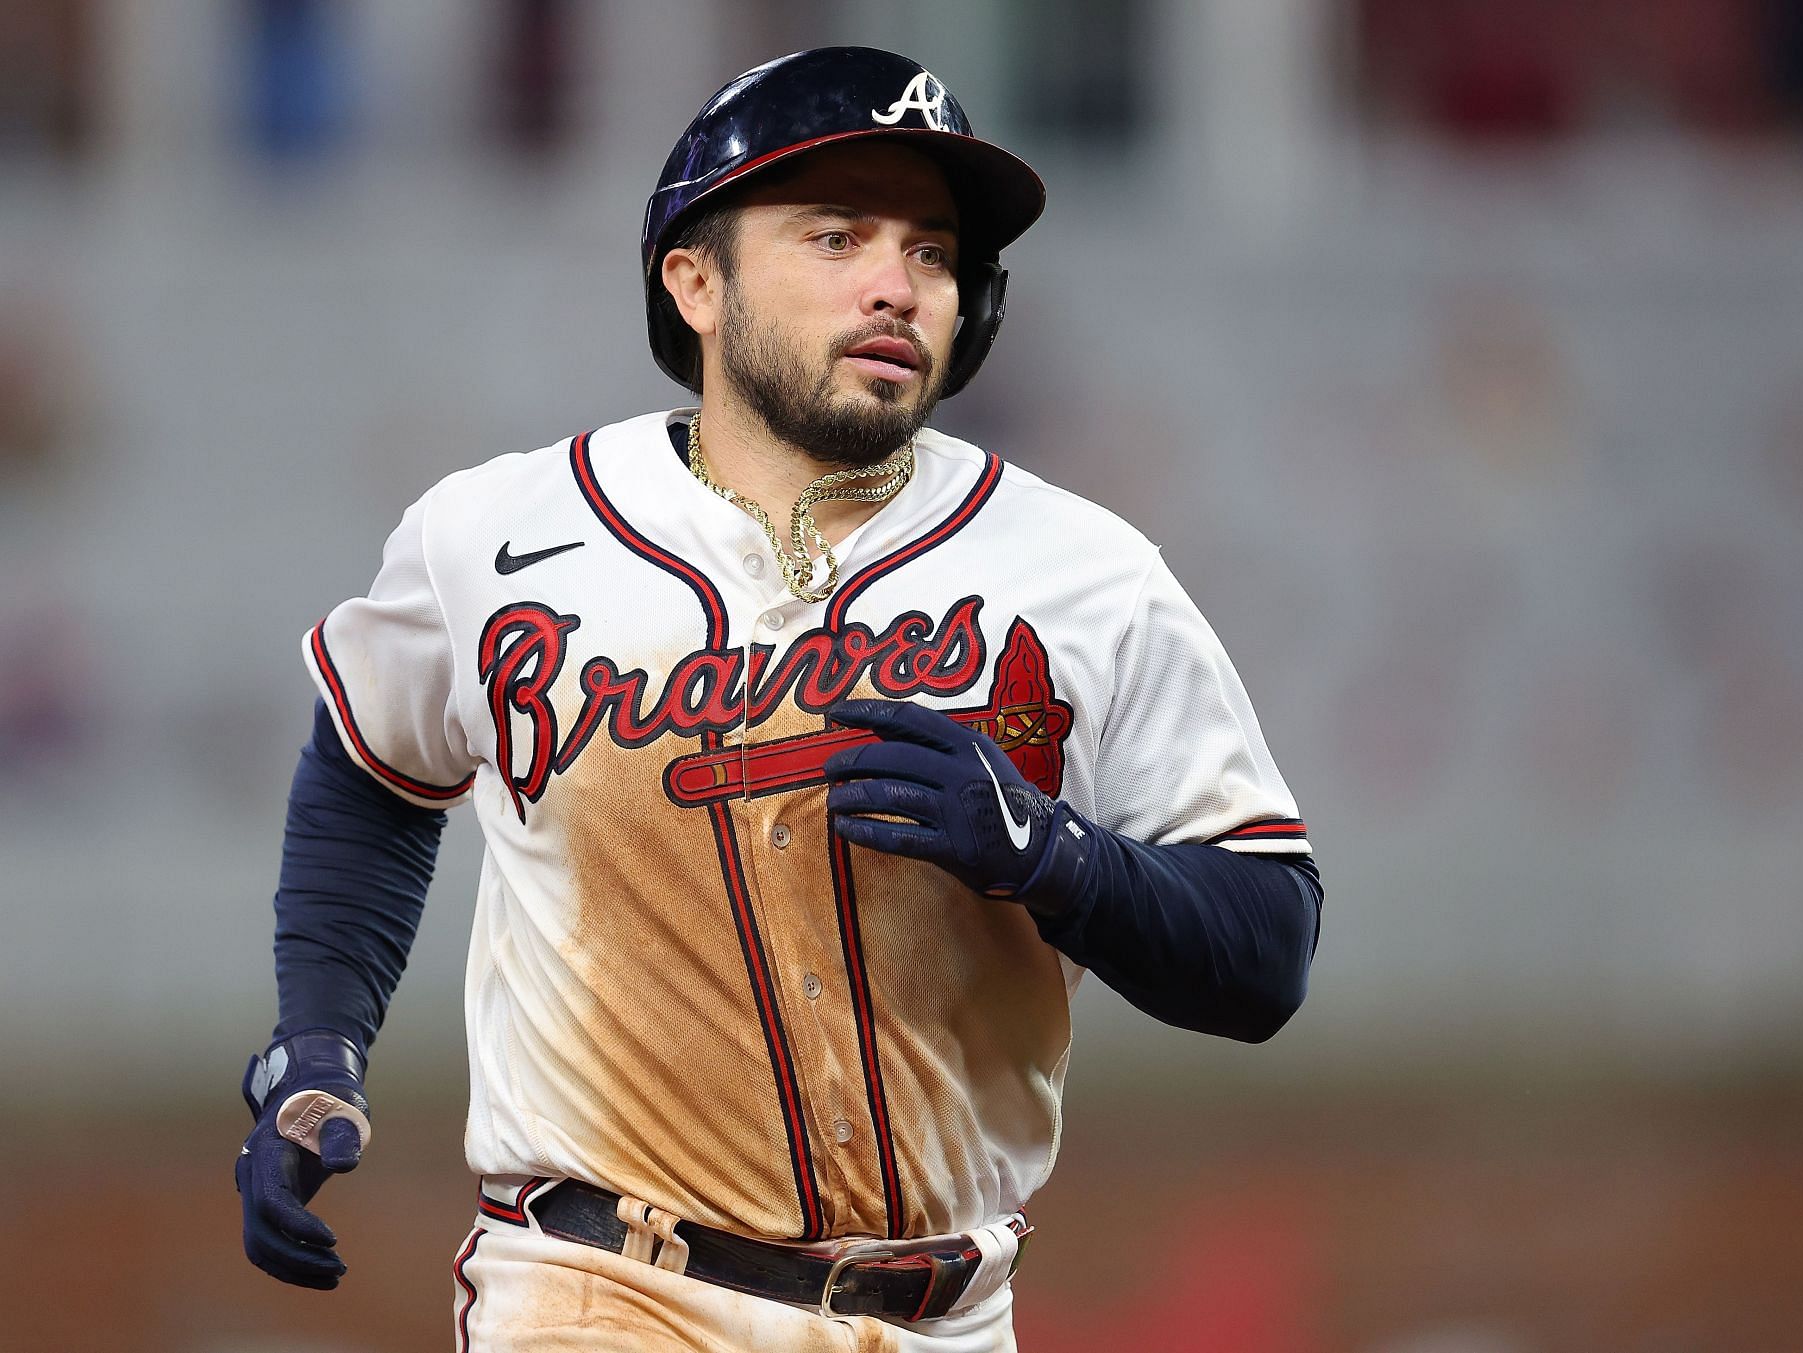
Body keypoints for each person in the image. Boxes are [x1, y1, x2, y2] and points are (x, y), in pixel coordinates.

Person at [235, 46, 1322, 1353]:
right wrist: (316, 1046)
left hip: (949, 1314)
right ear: (694, 279)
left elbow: (1268, 946)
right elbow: (370, 770)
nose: (896, 284)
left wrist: (1059, 856)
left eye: (931, 252)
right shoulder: (495, 536)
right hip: (598, 1291)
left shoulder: (1083, 575)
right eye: (836, 235)